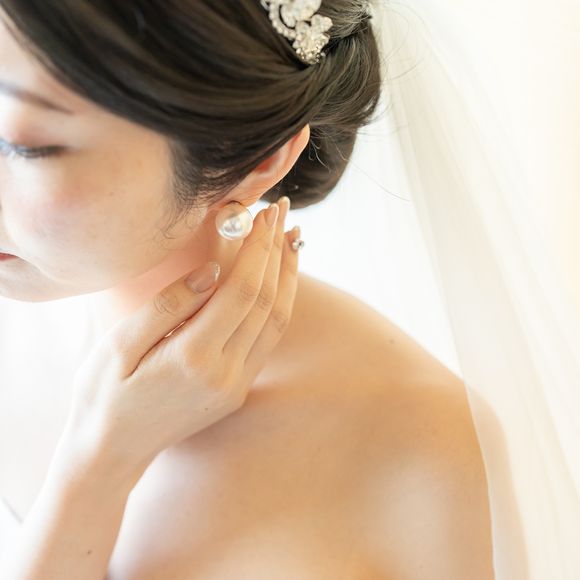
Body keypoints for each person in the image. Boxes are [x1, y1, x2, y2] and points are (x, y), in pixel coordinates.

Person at [0, 1, 494, 578]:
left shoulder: (422, 446)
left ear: (259, 159)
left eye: (25, 147)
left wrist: (99, 463)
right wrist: (96, 464)